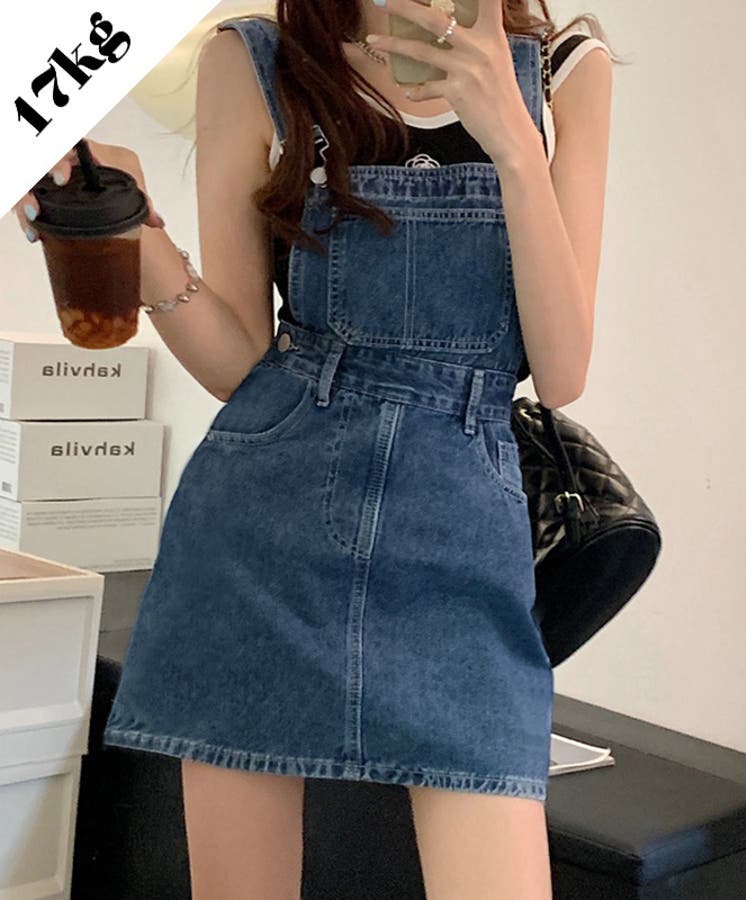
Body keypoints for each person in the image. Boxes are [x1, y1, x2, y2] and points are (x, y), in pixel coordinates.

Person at [12, 1, 613, 896]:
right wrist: (136, 232)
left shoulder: (564, 72)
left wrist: (513, 143)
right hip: (265, 528)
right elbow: (243, 363)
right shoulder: (256, 60)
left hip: (460, 537)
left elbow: (561, 371)